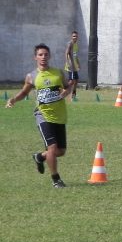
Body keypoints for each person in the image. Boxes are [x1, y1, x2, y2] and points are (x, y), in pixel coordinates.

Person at [6, 43, 73, 188]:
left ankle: (39, 156)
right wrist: (13, 99)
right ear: (35, 57)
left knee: (60, 151)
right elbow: (24, 92)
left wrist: (66, 92)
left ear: (50, 56)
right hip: (43, 115)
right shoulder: (32, 76)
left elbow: (69, 86)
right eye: (40, 55)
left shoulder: (58, 73)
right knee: (52, 148)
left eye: (46, 54)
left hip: (59, 115)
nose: (43, 57)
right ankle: (56, 179)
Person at [64, 31, 80, 100]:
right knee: (72, 81)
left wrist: (78, 63)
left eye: (76, 36)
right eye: (73, 36)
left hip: (75, 66)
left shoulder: (76, 45)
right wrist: (68, 62)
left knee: (76, 80)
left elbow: (75, 55)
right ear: (71, 37)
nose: (75, 37)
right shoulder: (70, 44)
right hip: (71, 65)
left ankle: (73, 94)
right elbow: (66, 53)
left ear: (77, 37)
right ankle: (64, 93)